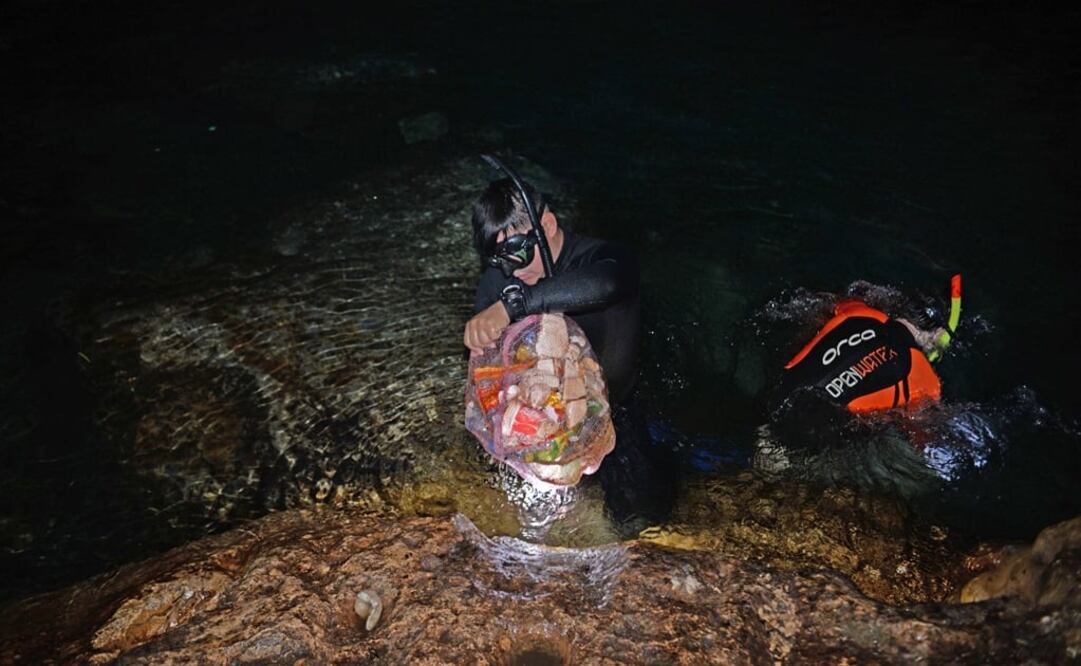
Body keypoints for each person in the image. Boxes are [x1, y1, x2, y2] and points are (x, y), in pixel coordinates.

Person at [464, 171, 675, 528]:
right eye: (497, 259)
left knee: (640, 522)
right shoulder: (501, 277)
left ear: (546, 225)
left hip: (615, 409)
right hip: (543, 414)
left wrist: (515, 305)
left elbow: (610, 282)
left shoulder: (603, 259)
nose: (509, 273)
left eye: (515, 252)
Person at [779, 275, 961, 413]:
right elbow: (923, 435)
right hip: (809, 437)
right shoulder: (924, 379)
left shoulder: (861, 312)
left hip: (774, 397)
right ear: (939, 334)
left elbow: (826, 303)